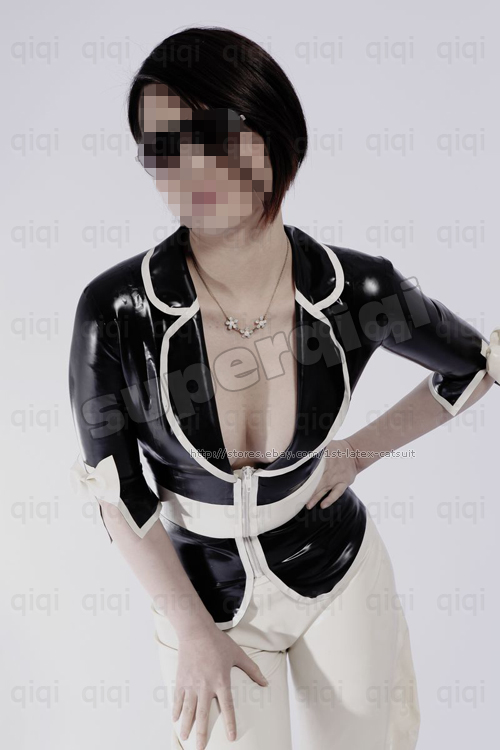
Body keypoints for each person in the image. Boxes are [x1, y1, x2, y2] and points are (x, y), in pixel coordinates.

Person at [68, 26, 500, 750]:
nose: (190, 166)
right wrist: (192, 631)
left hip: (337, 571)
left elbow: (475, 365)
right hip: (203, 598)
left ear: (273, 133)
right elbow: (118, 494)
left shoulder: (356, 290)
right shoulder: (115, 311)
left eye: (211, 132)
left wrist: (357, 453)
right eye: (162, 147)